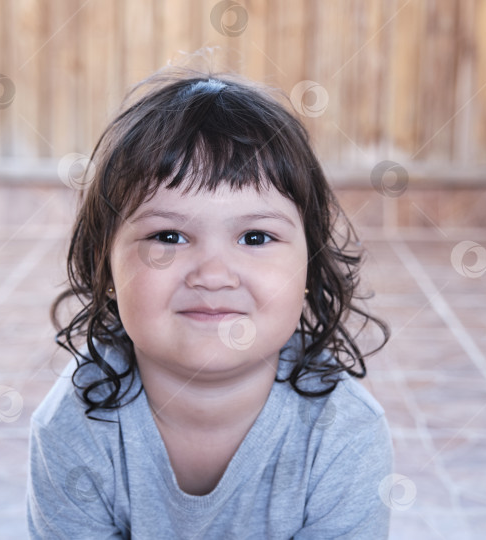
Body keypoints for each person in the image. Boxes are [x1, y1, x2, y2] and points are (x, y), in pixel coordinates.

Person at [27, 67, 392, 539]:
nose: (213, 274)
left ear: (310, 267)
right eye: (169, 236)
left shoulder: (344, 435)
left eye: (255, 236)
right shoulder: (74, 427)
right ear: (107, 269)